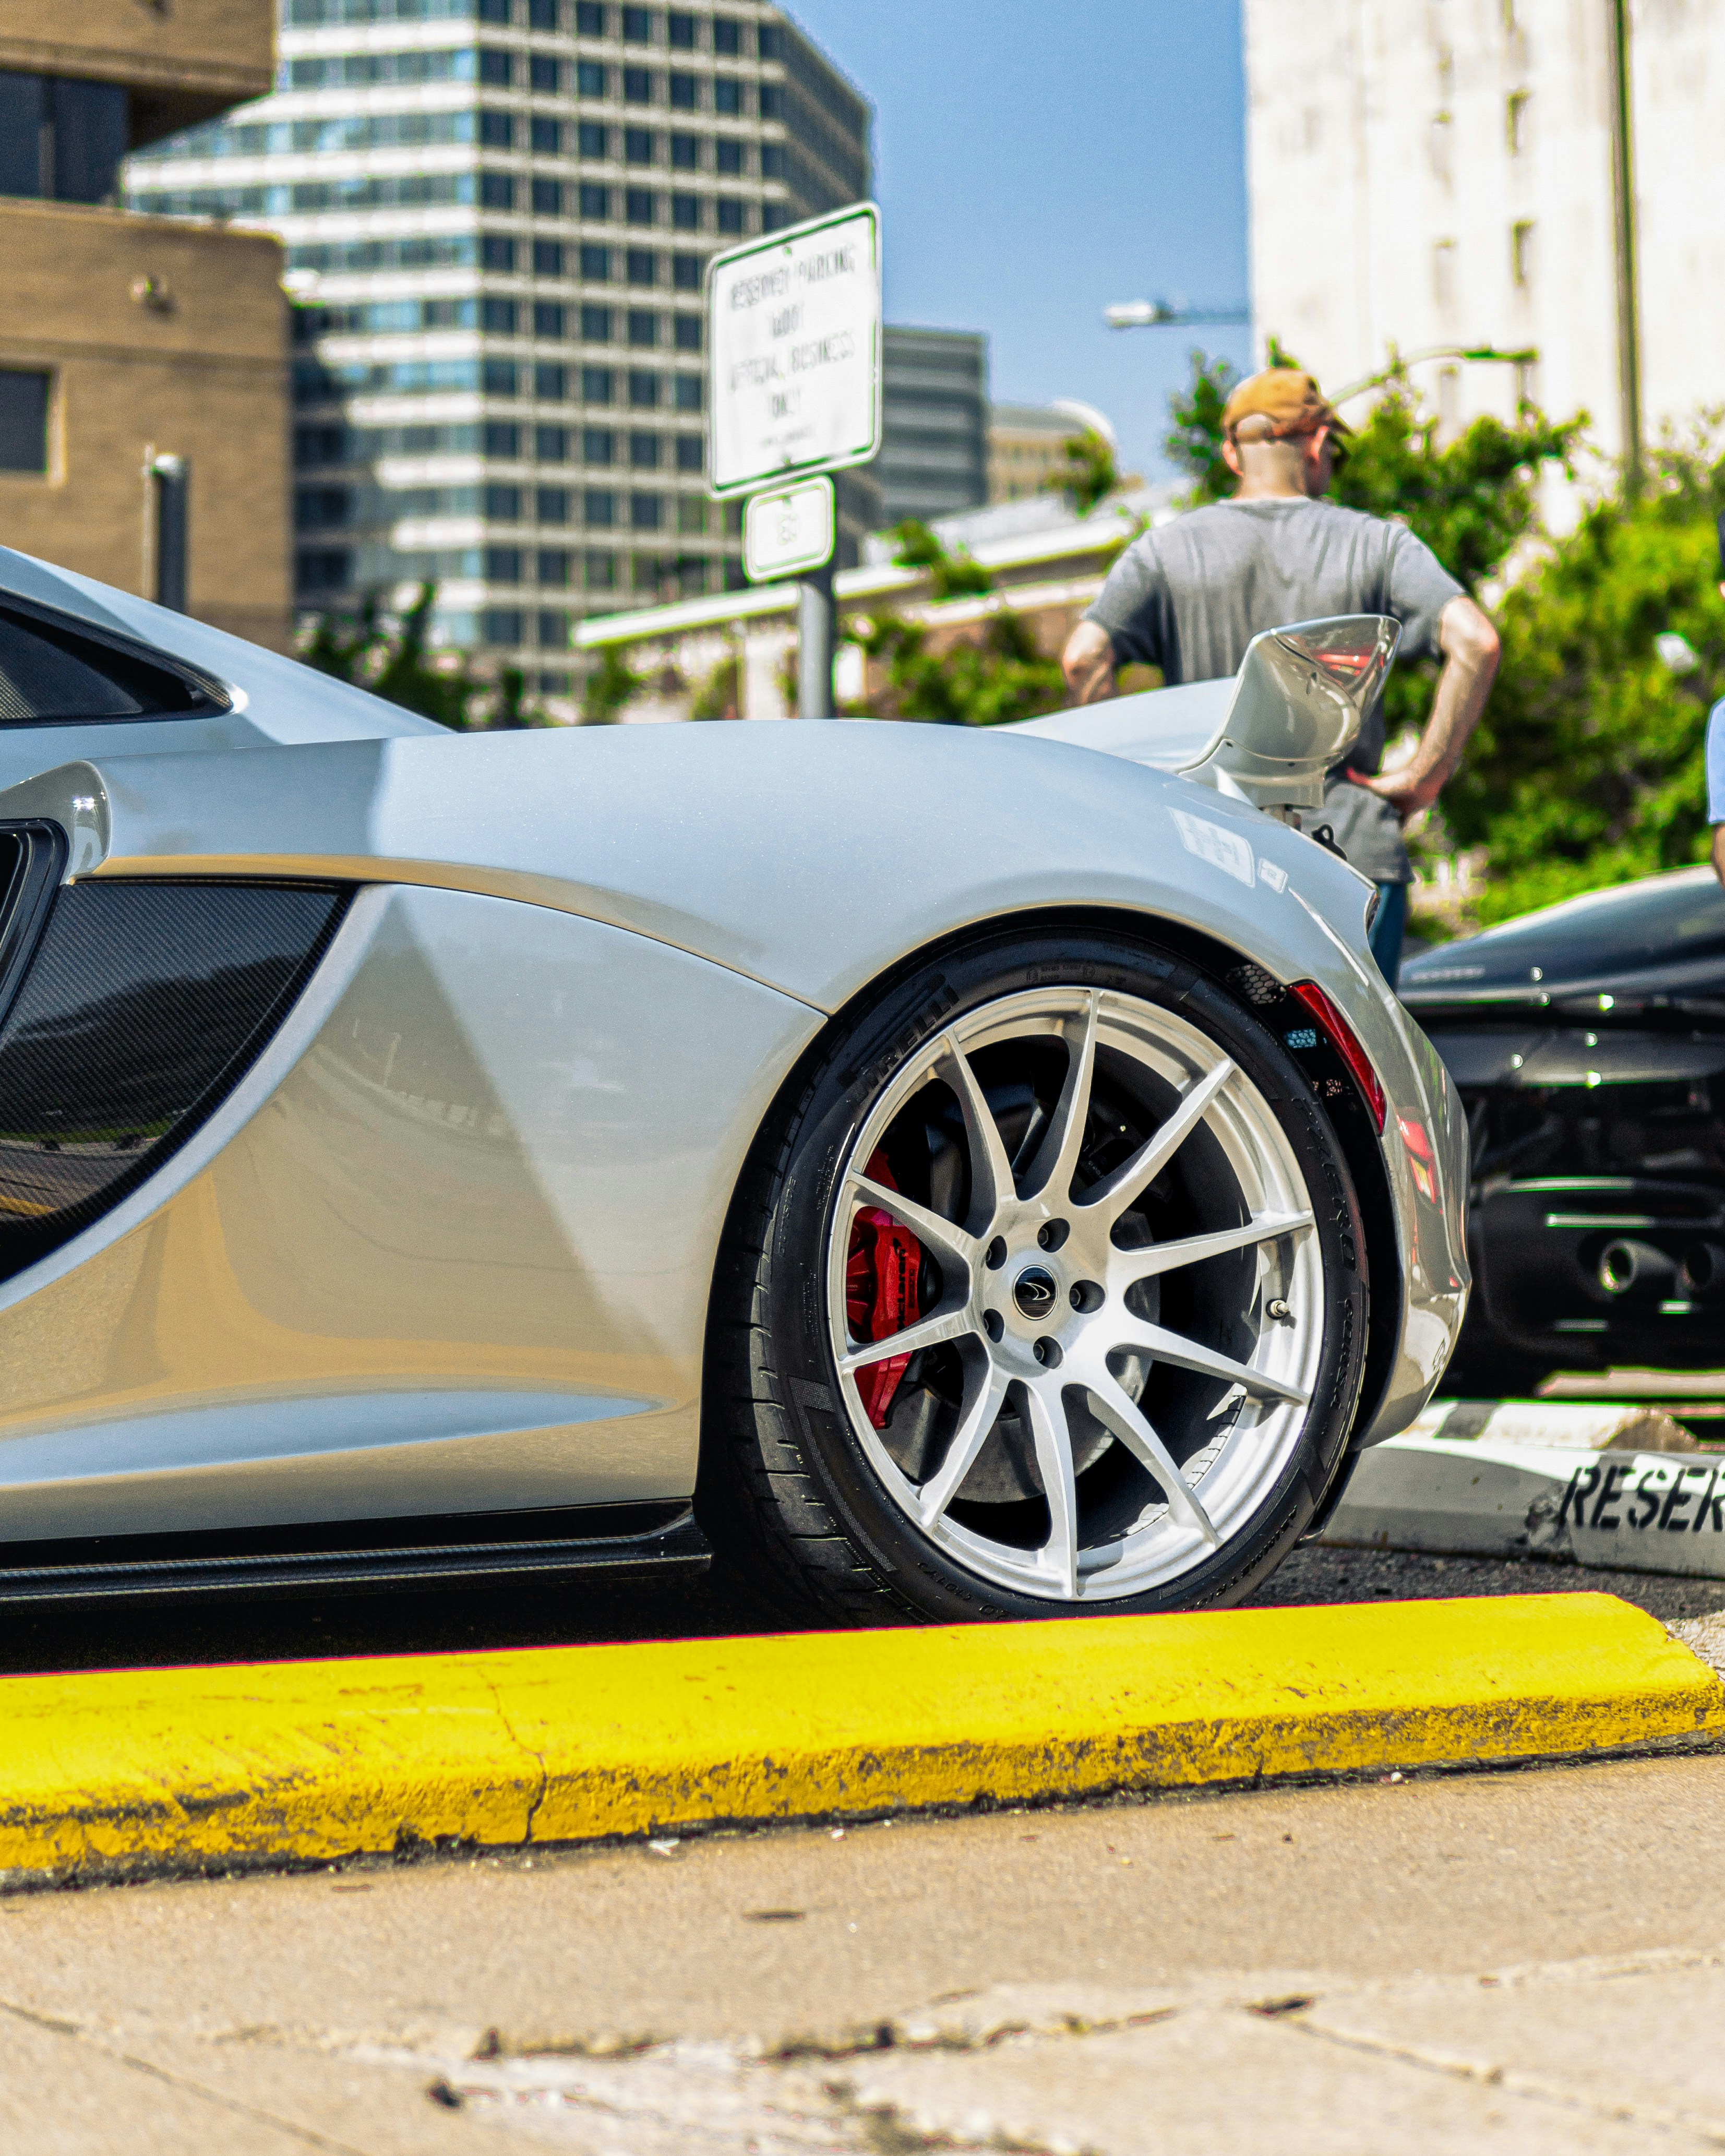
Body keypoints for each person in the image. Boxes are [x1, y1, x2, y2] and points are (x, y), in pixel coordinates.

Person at [1061, 368, 1501, 983]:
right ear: (1317, 443)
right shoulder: (1380, 544)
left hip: (1210, 859)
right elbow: (1477, 641)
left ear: (1231, 453)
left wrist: (1135, 793)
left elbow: (1082, 658)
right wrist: (1422, 778)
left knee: (1232, 1040)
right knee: (1353, 1044)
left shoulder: (1164, 550)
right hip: (1350, 854)